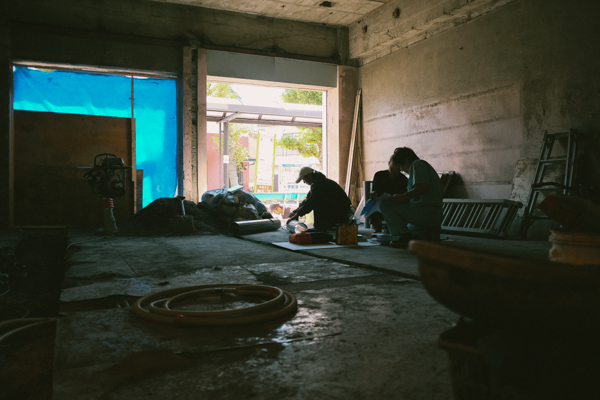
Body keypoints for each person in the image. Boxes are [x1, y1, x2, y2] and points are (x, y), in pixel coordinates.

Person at [379, 147, 443, 247]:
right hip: (430, 212)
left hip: (426, 211)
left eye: (400, 166)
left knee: (385, 204)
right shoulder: (421, 166)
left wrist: (401, 197)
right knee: (412, 236)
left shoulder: (417, 164)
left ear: (406, 161)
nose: (401, 170)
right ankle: (416, 234)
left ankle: (403, 237)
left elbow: (424, 186)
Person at [288, 167, 352, 232]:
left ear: (309, 176)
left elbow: (311, 202)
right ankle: (323, 226)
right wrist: (297, 210)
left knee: (319, 204)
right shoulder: (318, 183)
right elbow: (308, 200)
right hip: (338, 210)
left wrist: (297, 214)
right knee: (319, 203)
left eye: (304, 179)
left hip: (340, 212)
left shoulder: (321, 185)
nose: (304, 182)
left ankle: (323, 226)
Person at [369, 156, 409, 233]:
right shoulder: (379, 175)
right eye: (393, 165)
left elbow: (404, 195)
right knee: (370, 202)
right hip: (380, 201)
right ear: (389, 164)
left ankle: (395, 226)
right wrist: (374, 194)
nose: (395, 168)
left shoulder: (403, 179)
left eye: (397, 167)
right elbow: (375, 191)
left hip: (396, 202)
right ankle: (377, 229)